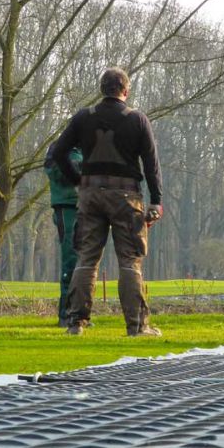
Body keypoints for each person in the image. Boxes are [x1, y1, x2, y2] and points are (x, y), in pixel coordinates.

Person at [53, 67, 164, 336]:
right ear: (125, 91)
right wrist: (156, 201)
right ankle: (137, 326)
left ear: (102, 89)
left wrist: (78, 179)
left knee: (86, 258)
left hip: (90, 196)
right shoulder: (137, 120)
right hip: (126, 197)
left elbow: (58, 153)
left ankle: (76, 323)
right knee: (129, 260)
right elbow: (151, 164)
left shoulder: (83, 117)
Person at [44, 144, 83, 327]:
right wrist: (78, 167)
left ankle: (79, 314)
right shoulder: (58, 148)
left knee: (85, 261)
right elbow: (54, 172)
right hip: (66, 206)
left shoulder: (89, 144)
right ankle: (66, 314)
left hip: (89, 206)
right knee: (70, 258)